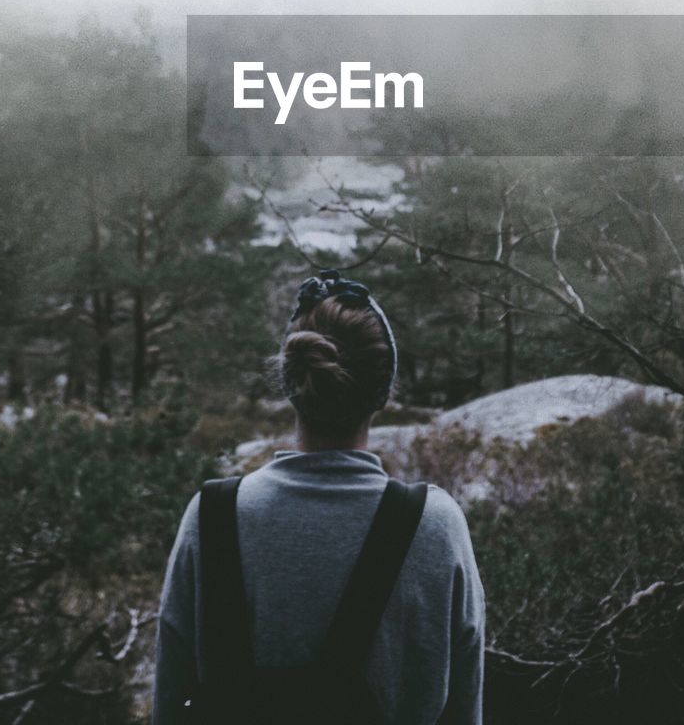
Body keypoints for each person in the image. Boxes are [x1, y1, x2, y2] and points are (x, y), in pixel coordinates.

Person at [152, 269, 485, 724]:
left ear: (293, 384)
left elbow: (170, 701)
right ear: (384, 393)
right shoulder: (434, 525)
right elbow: (464, 708)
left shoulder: (211, 516)